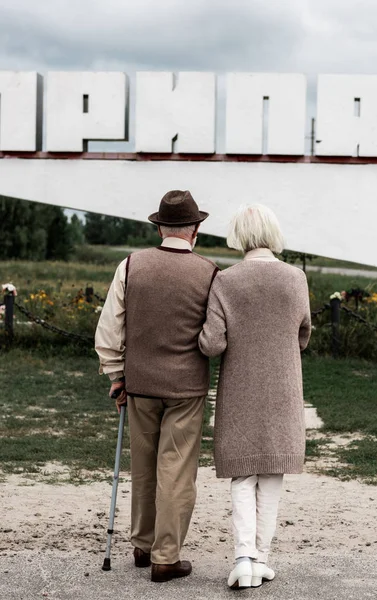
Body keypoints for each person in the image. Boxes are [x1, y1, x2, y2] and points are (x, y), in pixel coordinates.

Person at [95, 190, 219, 583]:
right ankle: (167, 556)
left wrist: (117, 375)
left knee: (143, 467)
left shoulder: (131, 265)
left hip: (141, 383)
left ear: (160, 226)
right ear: (195, 229)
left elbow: (110, 327)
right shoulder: (210, 271)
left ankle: (142, 545)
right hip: (186, 388)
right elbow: (214, 335)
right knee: (177, 471)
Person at [199, 204, 311, 590]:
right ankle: (261, 559)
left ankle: (244, 558)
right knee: (272, 474)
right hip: (283, 388)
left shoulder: (225, 281)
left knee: (243, 474)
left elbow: (213, 344)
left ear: (239, 236)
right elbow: (304, 334)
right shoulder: (295, 278)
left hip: (240, 390)